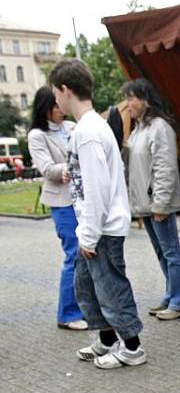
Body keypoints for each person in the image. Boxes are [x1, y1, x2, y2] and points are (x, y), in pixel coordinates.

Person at [49, 59, 146, 369]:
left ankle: (132, 347)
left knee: (110, 289)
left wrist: (89, 235)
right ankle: (107, 339)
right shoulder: (88, 128)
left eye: (55, 92)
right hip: (93, 227)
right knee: (87, 287)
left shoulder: (89, 131)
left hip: (101, 228)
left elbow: (97, 189)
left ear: (65, 90)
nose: (55, 100)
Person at [123, 78, 180, 320]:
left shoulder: (159, 127)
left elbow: (164, 168)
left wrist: (162, 204)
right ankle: (172, 294)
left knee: (171, 252)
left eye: (130, 98)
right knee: (162, 252)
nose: (127, 104)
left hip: (157, 203)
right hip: (147, 203)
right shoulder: (140, 129)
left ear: (144, 99)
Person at [27, 87, 88, 331]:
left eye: (60, 106)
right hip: (62, 202)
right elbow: (47, 169)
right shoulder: (37, 136)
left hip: (82, 199)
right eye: (55, 108)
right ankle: (68, 313)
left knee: (86, 254)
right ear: (45, 109)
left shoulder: (72, 127)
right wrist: (72, 168)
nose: (60, 111)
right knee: (73, 255)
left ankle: (84, 306)